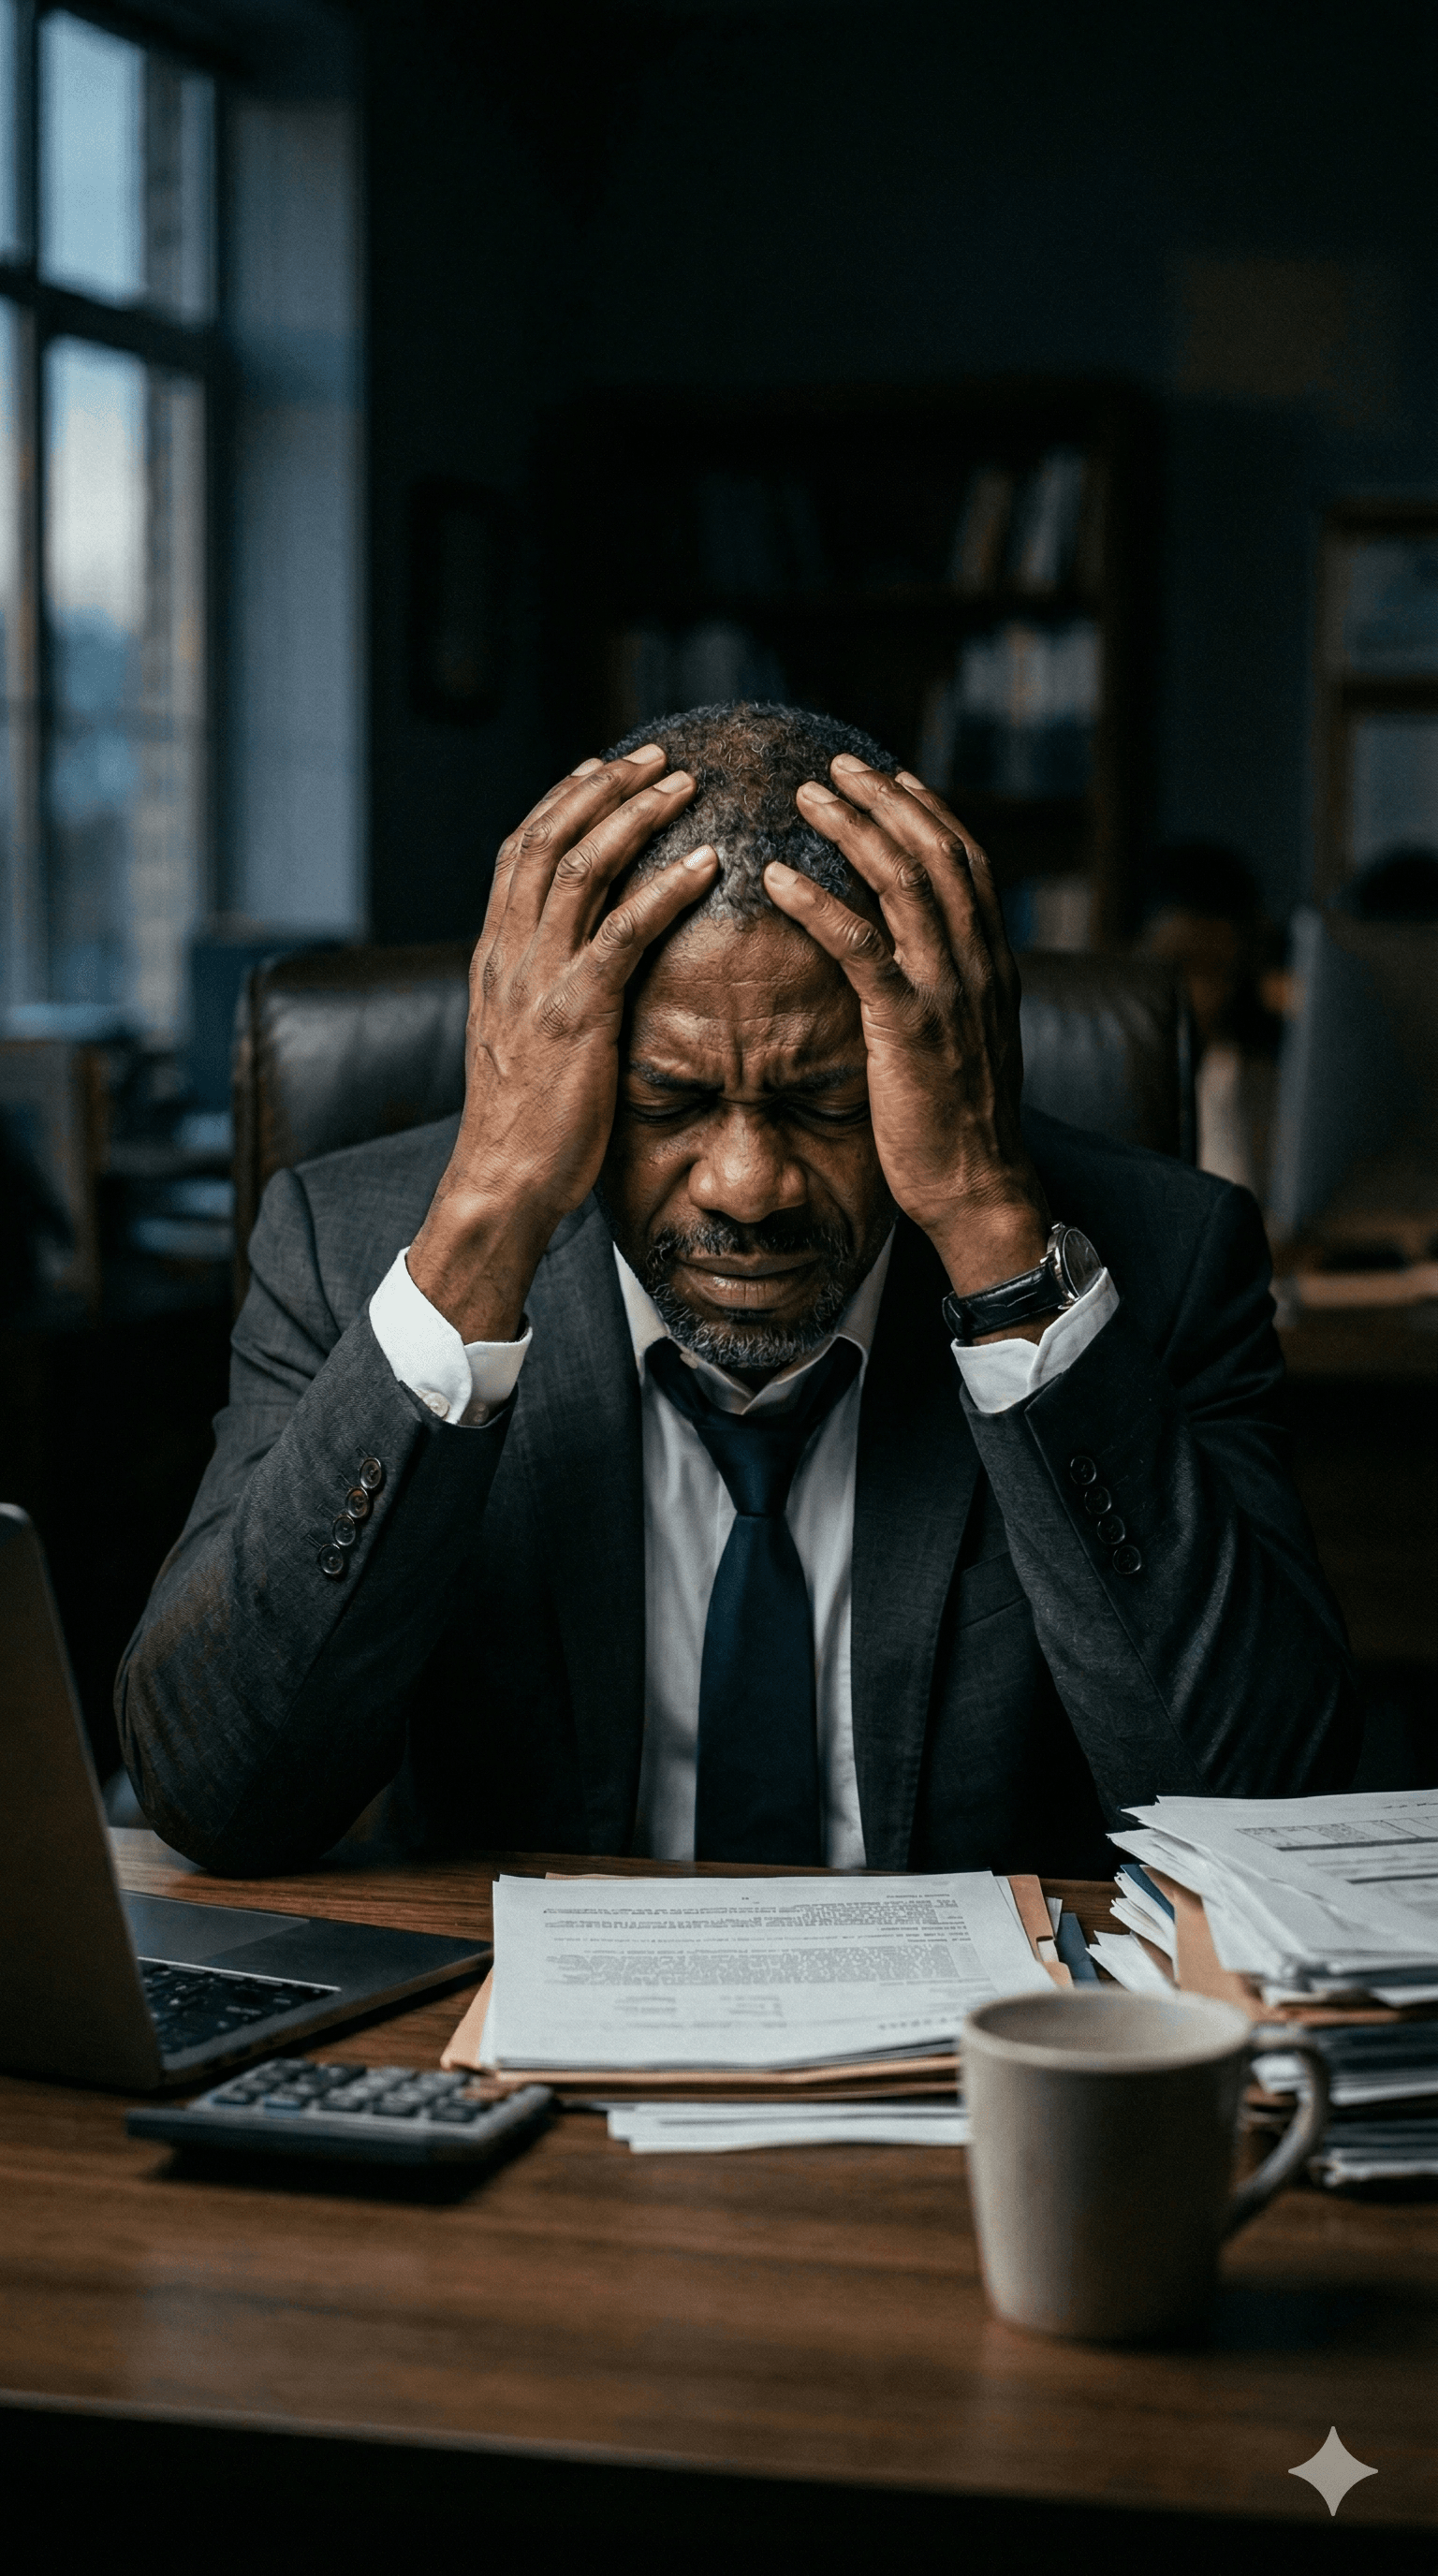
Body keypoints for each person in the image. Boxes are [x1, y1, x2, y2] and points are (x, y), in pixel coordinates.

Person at [118, 704, 1357, 1878]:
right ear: (561, 1064)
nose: (748, 1186)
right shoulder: (351, 1253)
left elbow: (1261, 1817)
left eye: (826, 1103)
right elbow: (215, 1798)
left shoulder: (1166, 1256)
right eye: (667, 1101)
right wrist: (484, 1222)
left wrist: (990, 1222)